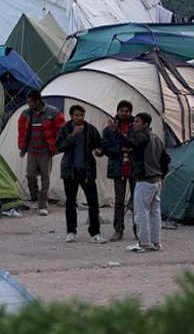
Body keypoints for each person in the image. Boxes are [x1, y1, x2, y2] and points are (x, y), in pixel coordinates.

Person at [56, 105, 106, 244]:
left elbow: (99, 144)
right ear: (71, 116)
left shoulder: (90, 129)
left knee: (93, 202)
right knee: (71, 202)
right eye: (77, 115)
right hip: (70, 171)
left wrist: (99, 151)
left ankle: (95, 232)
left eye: (82, 115)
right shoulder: (65, 129)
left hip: (87, 170)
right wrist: (73, 135)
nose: (80, 118)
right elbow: (59, 147)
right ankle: (71, 231)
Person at [123, 113, 170, 253]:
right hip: (156, 180)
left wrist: (118, 132)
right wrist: (162, 175)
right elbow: (166, 159)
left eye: (137, 122)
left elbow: (131, 143)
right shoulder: (157, 138)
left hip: (144, 179)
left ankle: (144, 243)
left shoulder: (142, 136)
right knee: (155, 212)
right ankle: (156, 242)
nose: (134, 124)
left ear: (145, 124)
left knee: (141, 212)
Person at [17, 90, 65, 216]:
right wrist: (22, 147)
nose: (29, 105)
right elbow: (22, 131)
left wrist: (55, 145)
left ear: (37, 101)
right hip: (32, 149)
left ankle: (43, 204)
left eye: (30, 102)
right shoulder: (26, 114)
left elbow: (61, 129)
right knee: (30, 175)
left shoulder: (53, 112)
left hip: (45, 150)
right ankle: (36, 197)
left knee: (45, 178)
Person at [102, 100, 135, 242]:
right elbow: (106, 148)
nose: (124, 113)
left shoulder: (136, 125)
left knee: (137, 202)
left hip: (135, 169)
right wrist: (120, 148)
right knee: (119, 201)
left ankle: (139, 230)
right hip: (118, 168)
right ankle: (118, 230)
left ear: (130, 112)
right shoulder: (109, 129)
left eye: (127, 111)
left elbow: (139, 142)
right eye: (121, 110)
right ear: (117, 111)